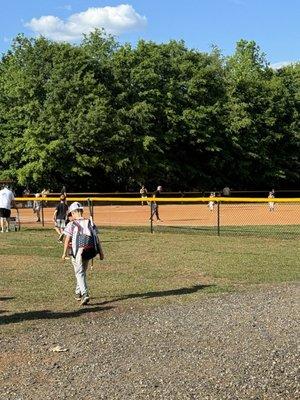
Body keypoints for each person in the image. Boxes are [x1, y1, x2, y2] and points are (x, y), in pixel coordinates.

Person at [62, 202, 104, 306]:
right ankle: (78, 292)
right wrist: (101, 252)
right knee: (81, 272)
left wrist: (64, 253)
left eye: (71, 214)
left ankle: (85, 293)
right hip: (89, 251)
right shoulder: (90, 222)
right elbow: (97, 239)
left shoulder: (71, 224)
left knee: (79, 273)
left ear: (73, 212)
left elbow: (67, 240)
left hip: (77, 253)